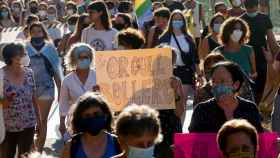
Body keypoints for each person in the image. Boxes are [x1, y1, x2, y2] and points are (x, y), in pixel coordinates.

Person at [189, 61, 263, 133]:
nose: (217, 85)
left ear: (235, 85)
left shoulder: (249, 108)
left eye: (222, 81)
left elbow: (258, 138)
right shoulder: (202, 110)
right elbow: (192, 140)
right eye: (214, 81)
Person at [25, 22, 63, 152]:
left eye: (39, 31)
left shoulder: (50, 48)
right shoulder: (24, 48)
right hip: (28, 90)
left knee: (42, 120)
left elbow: (57, 71)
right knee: (31, 121)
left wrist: (61, 93)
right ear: (29, 34)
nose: (36, 34)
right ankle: (31, 148)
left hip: (47, 88)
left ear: (43, 33)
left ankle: (39, 150)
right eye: (33, 32)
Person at [0, 43, 41, 158]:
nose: (25, 56)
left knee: (25, 155)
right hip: (8, 126)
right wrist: (4, 101)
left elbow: (34, 97)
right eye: (22, 54)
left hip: (28, 123)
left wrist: (39, 120)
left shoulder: (29, 73)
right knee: (7, 155)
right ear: (12, 57)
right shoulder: (1, 75)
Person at [241, 0, 280, 104]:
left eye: (253, 6)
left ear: (257, 5)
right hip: (246, 56)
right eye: (248, 6)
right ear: (244, 6)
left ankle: (260, 107)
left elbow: (271, 40)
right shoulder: (240, 20)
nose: (251, 9)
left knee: (262, 84)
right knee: (249, 85)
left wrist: (277, 55)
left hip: (262, 55)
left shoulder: (264, 18)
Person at [60, 92, 121, 158]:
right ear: (81, 120)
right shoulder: (71, 147)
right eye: (87, 116)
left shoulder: (118, 143)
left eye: (96, 114)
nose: (92, 118)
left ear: (106, 115)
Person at [59, 43, 97, 140]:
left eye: (86, 57)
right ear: (74, 59)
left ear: (91, 58)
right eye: (80, 57)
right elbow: (63, 103)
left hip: (96, 118)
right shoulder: (67, 80)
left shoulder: (98, 76)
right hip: (75, 120)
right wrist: (62, 123)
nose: (84, 59)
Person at [159, 10, 200, 98]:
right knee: (171, 100)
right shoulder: (164, 37)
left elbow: (195, 58)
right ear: (171, 21)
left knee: (182, 98)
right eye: (175, 19)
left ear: (183, 22)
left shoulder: (189, 38)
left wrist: (199, 75)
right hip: (169, 72)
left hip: (186, 72)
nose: (177, 21)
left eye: (179, 19)